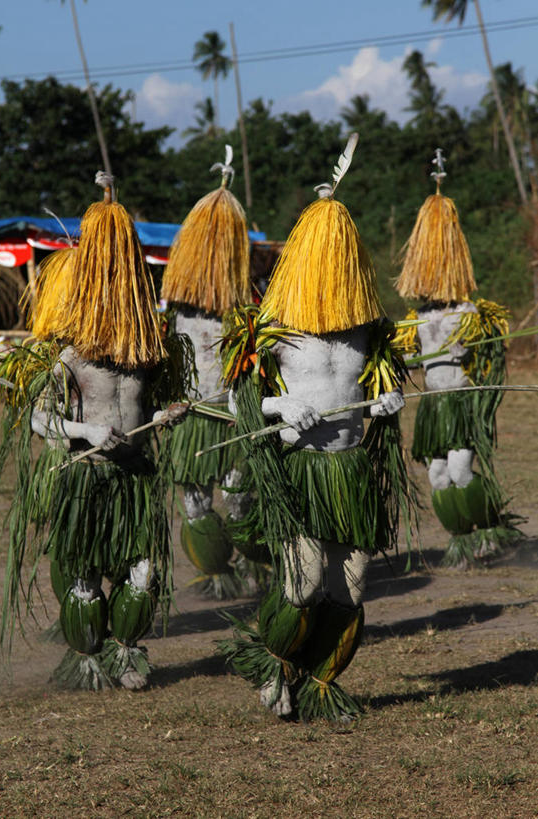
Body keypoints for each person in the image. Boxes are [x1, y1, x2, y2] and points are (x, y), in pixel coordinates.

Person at [219, 135, 415, 721]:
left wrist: (387, 403)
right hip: (299, 470)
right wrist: (281, 408)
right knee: (303, 586)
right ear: (304, 257)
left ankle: (319, 682)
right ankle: (275, 661)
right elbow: (237, 401)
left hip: (350, 472)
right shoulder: (273, 328)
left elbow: (382, 388)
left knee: (348, 591)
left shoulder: (368, 330)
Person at [0, 172, 189, 690]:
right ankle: (87, 653)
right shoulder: (71, 354)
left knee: (144, 572)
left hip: (134, 477)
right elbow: (39, 419)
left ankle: (125, 651)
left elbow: (151, 404)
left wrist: (168, 414)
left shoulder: (145, 352)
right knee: (83, 578)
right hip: (87, 477)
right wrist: (86, 430)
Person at [395, 149, 519, 566]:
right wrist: (403, 362)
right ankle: (461, 538)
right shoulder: (417, 317)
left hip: (461, 401)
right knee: (437, 476)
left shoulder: (469, 312)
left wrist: (471, 351)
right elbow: (413, 360)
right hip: (434, 406)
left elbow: (492, 359)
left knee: (462, 471)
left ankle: (488, 529)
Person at [160, 146, 266, 598]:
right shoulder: (176, 313)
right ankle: (216, 572)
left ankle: (256, 565)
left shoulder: (249, 308)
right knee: (195, 503)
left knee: (239, 498)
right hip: (191, 415)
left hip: (235, 418)